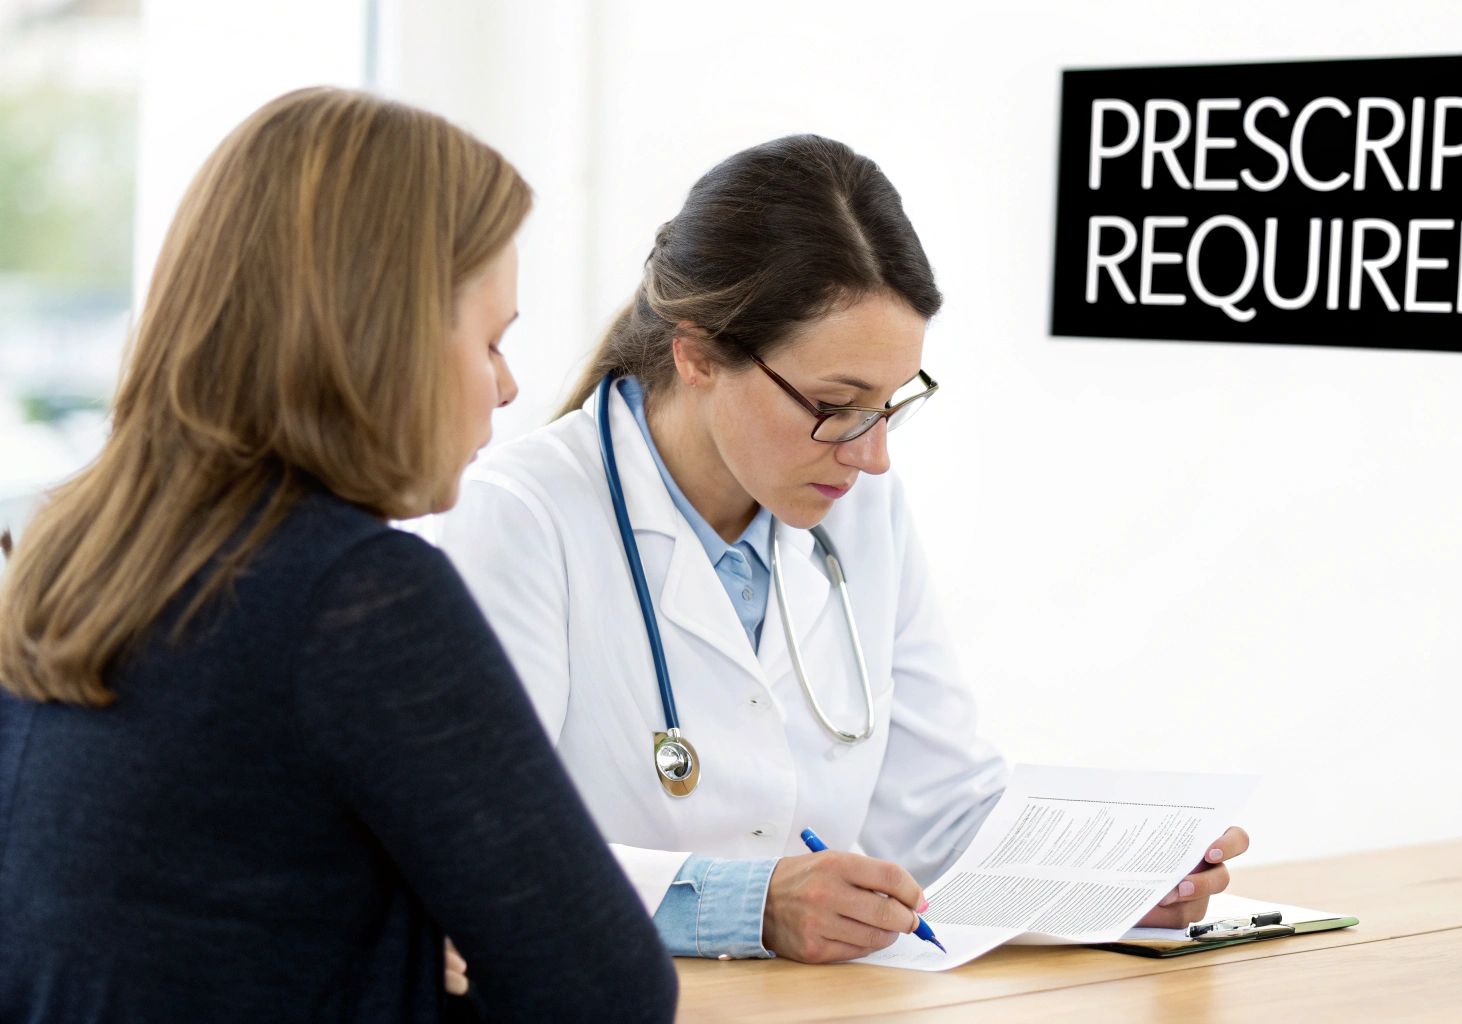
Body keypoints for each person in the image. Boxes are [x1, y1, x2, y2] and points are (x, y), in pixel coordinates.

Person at [438, 134, 1248, 966]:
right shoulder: (517, 517)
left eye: (891, 405)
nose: (873, 454)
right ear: (698, 352)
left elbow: (936, 811)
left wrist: (1112, 881)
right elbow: (477, 849)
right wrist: (746, 905)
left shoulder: (859, 511)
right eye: (836, 404)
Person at [0, 87, 675, 1021]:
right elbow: (610, 991)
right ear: (385, 336)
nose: (508, 387)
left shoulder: (68, 561)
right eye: (490, 341)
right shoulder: (353, 596)